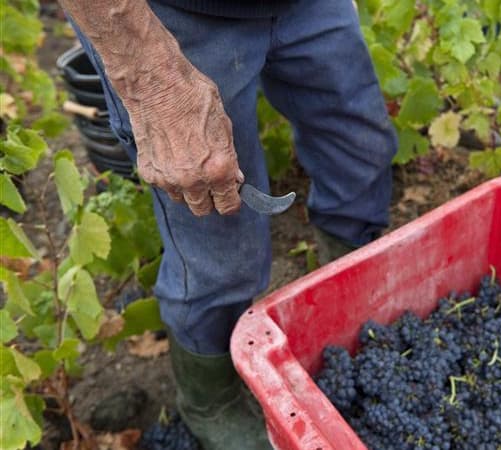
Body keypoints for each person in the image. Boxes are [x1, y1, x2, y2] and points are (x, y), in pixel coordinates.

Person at [57, 0, 397, 448]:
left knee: (362, 153)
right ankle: (208, 397)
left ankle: (351, 297)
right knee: (219, 239)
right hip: (172, 19)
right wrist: (149, 75)